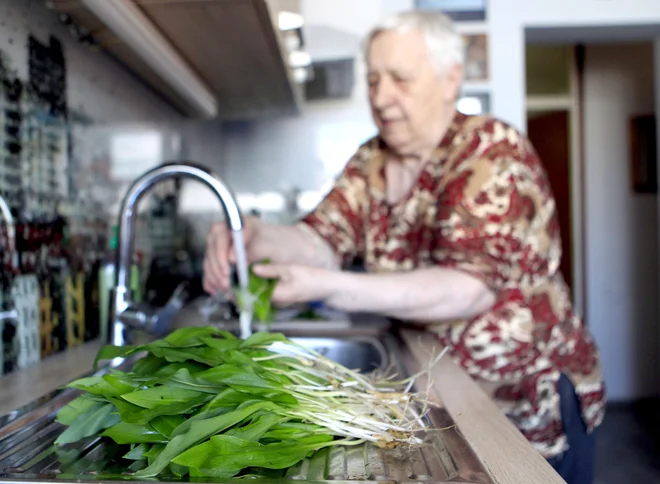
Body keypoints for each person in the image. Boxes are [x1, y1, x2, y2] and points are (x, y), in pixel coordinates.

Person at [203, 10, 605, 484]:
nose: (380, 96)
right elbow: (319, 239)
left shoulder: (490, 151)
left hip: (528, 401)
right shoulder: (372, 159)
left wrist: (325, 286)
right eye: (373, 79)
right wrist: (252, 235)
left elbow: (467, 288)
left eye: (400, 78)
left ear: (450, 79)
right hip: (444, 391)